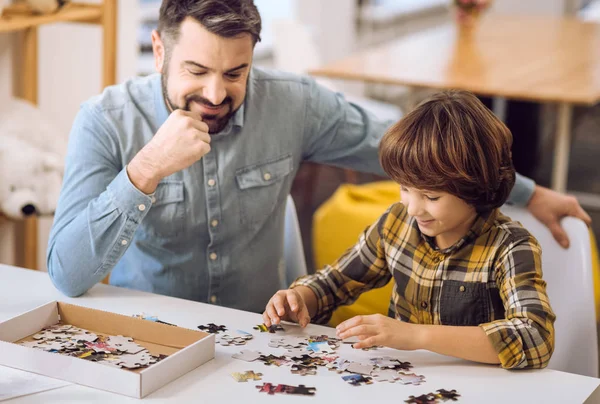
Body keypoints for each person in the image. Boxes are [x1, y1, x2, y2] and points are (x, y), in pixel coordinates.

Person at [48, 0, 589, 314]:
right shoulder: (104, 120)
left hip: (260, 335)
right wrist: (144, 170)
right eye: (196, 71)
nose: (216, 95)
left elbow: (415, 150)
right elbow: (67, 274)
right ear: (160, 52)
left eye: (234, 73)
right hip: (152, 332)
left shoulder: (294, 103)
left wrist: (530, 191)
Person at [263, 90, 555, 369]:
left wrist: (415, 335)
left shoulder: (511, 247)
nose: (413, 208)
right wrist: (299, 298)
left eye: (431, 197)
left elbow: (534, 337)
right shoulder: (397, 222)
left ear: (477, 188)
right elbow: (335, 282)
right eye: (404, 188)